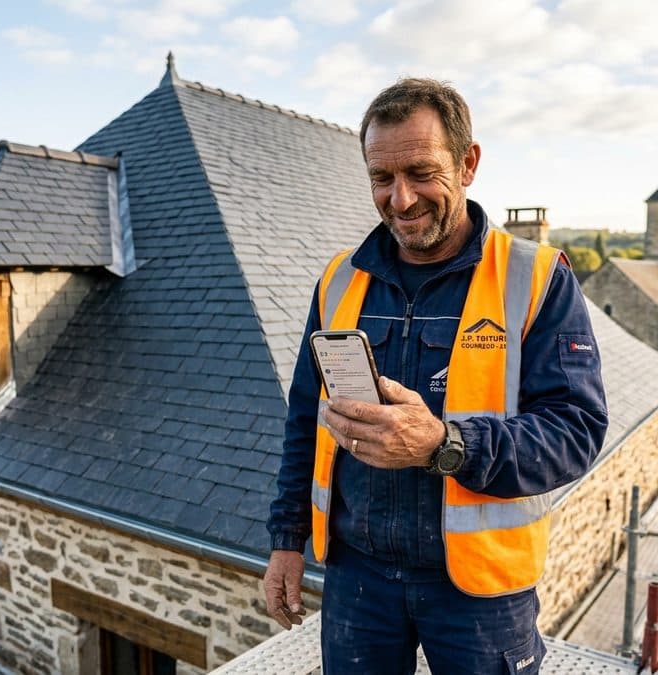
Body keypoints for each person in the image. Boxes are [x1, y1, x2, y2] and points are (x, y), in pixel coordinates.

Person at [263, 78, 608, 675]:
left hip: (479, 590)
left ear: (468, 163)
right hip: (358, 577)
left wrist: (445, 445)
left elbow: (575, 432)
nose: (400, 199)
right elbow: (304, 421)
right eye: (381, 178)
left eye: (421, 173)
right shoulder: (340, 281)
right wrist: (286, 540)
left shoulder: (535, 278)